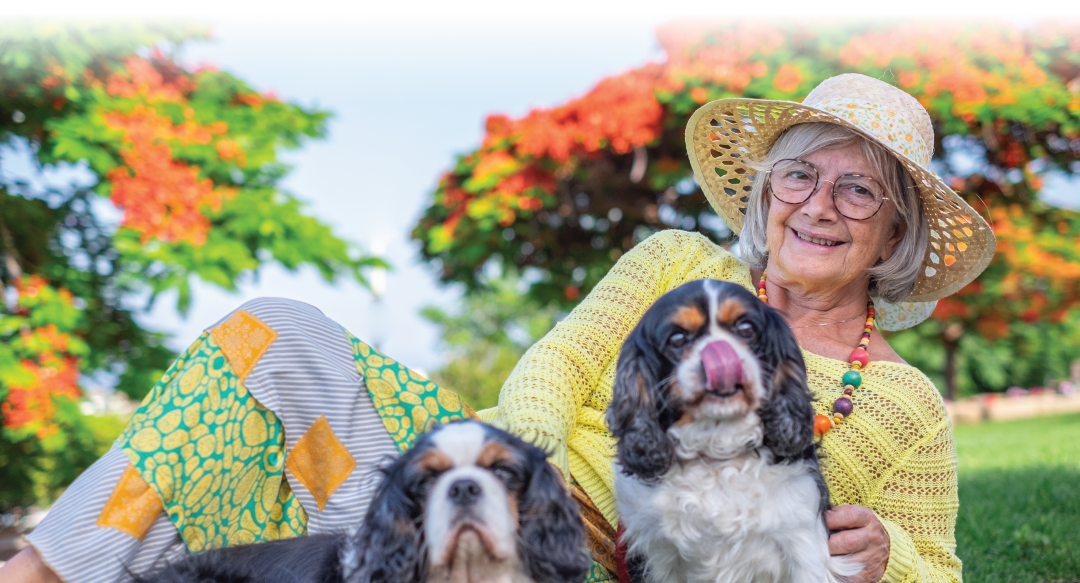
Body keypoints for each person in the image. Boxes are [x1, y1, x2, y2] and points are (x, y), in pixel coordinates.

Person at [3, 74, 989, 583]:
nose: (820, 205)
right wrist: (527, 463)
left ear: (896, 228)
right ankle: (39, 574)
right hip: (487, 483)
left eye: (858, 189)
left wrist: (884, 556)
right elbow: (559, 361)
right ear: (767, 191)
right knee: (275, 331)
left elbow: (941, 570)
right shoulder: (679, 262)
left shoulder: (909, 403)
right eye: (800, 176)